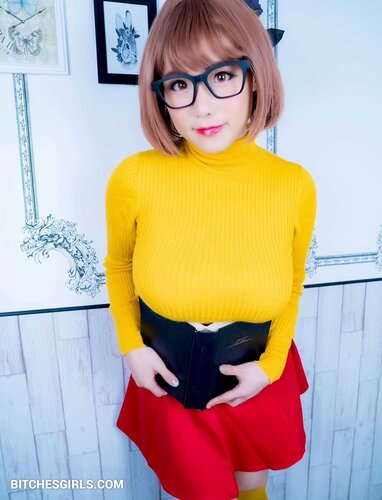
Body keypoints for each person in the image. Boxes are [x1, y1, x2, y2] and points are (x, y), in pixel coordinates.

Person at [103, 0, 317, 499]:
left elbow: (293, 282)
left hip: (259, 366)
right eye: (180, 83)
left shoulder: (294, 185)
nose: (202, 106)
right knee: (198, 489)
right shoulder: (134, 177)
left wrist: (271, 365)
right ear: (161, 96)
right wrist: (131, 346)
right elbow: (119, 265)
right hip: (169, 371)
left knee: (252, 481)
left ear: (255, 77)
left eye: (222, 76)